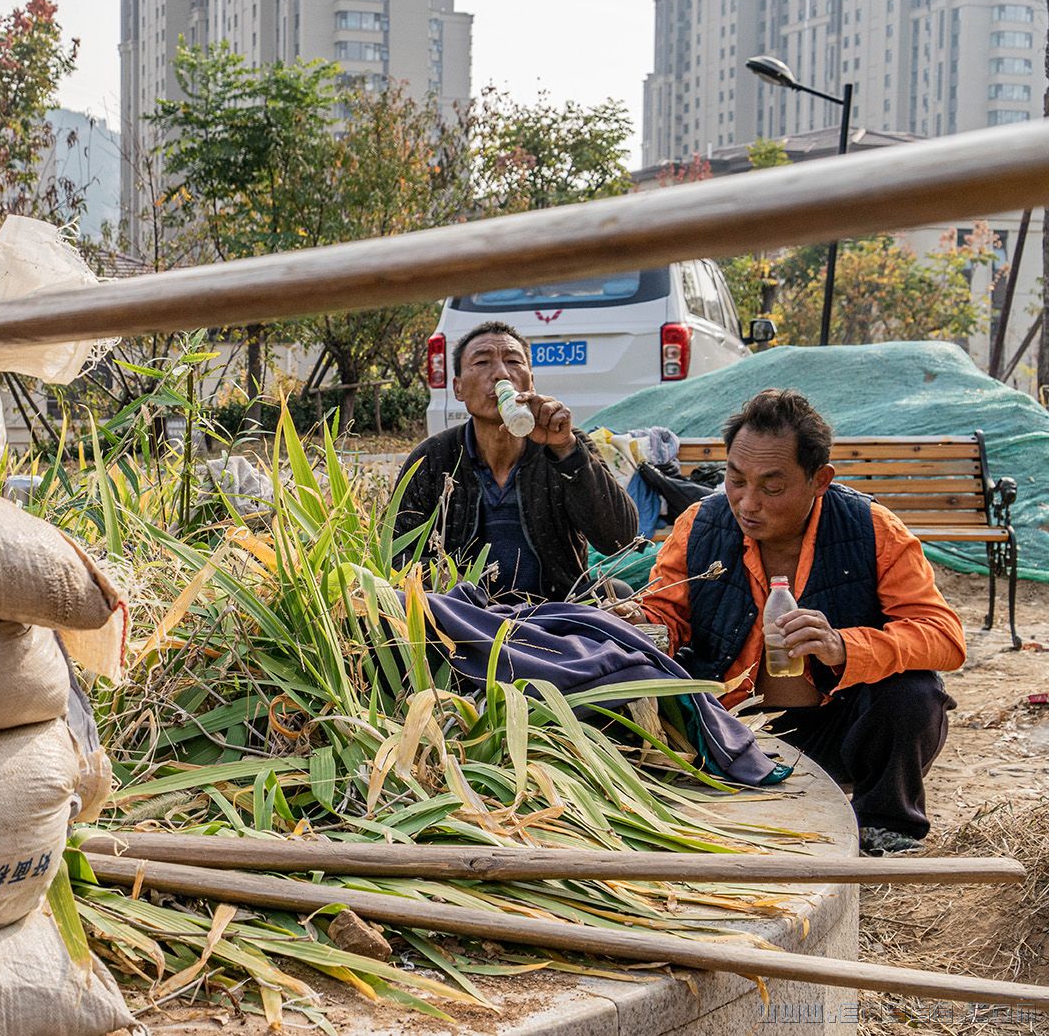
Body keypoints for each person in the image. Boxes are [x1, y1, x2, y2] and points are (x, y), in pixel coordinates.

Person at [623, 388, 964, 855]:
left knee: (913, 693)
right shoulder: (700, 524)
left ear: (819, 479)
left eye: (772, 486)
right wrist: (636, 620)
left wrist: (846, 646)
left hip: (837, 728)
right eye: (736, 479)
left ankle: (885, 825)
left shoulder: (873, 528)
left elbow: (943, 635)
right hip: (728, 725)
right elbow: (667, 614)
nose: (748, 503)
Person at [392, 321, 637, 602]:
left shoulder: (565, 443)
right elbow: (395, 551)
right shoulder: (434, 458)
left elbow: (620, 540)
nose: (501, 374)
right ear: (458, 388)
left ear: (531, 381)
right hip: (464, 616)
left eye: (513, 361)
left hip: (557, 610)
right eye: (482, 362)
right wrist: (447, 581)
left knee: (618, 593)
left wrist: (567, 451)